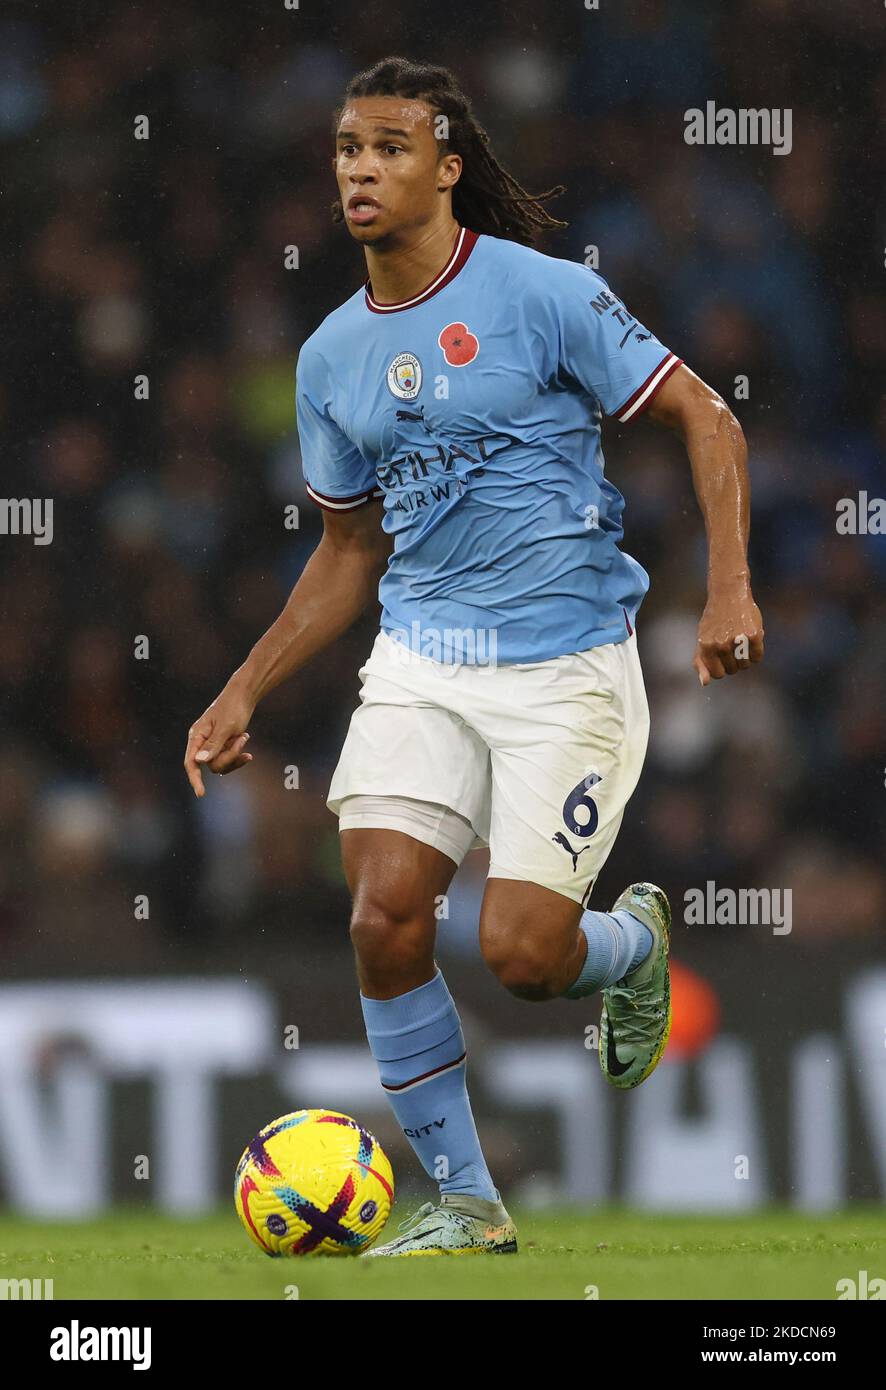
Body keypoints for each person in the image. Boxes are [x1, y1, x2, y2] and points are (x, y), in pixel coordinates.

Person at [183, 57, 764, 1257]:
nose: (361, 169)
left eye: (390, 148)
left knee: (522, 958)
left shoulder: (541, 293)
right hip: (420, 657)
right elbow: (349, 548)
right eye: (348, 148)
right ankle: (465, 1201)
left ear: (447, 168)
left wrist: (728, 589)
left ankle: (634, 947)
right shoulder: (330, 358)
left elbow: (705, 413)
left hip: (566, 665)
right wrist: (244, 684)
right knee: (384, 917)